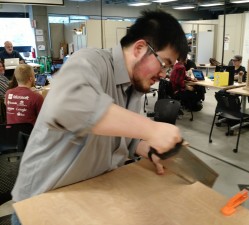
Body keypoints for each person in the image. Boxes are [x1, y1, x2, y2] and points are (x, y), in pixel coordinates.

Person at [10, 10, 188, 223]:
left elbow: (126, 139)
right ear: (140, 48)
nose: (163, 74)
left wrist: (151, 150)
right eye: (165, 63)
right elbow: (71, 104)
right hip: (40, 206)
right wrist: (153, 129)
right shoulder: (90, 61)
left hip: (83, 199)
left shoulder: (134, 89)